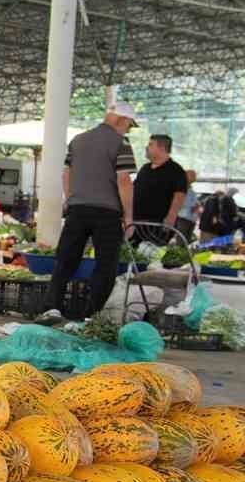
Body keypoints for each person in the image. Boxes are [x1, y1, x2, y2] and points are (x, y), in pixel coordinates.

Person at [43, 104, 139, 321]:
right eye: (130, 126)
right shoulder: (120, 143)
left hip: (77, 209)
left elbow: (66, 173)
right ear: (122, 121)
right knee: (106, 265)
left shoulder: (78, 140)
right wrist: (129, 216)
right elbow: (124, 181)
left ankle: (52, 308)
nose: (128, 131)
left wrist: (70, 199)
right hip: (107, 212)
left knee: (65, 260)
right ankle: (91, 316)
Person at [131, 135, 187, 243]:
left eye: (151, 145)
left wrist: (171, 217)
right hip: (137, 224)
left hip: (159, 225)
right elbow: (134, 189)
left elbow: (179, 195)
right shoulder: (145, 168)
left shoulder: (176, 170)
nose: (147, 147)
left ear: (162, 148)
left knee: (151, 256)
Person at [175, 170, 202, 240]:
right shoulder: (180, 187)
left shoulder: (190, 189)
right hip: (183, 218)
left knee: (187, 241)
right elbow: (179, 203)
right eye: (193, 175)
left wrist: (197, 205)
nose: (195, 177)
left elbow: (195, 202)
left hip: (191, 219)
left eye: (195, 175)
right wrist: (194, 206)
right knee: (181, 240)